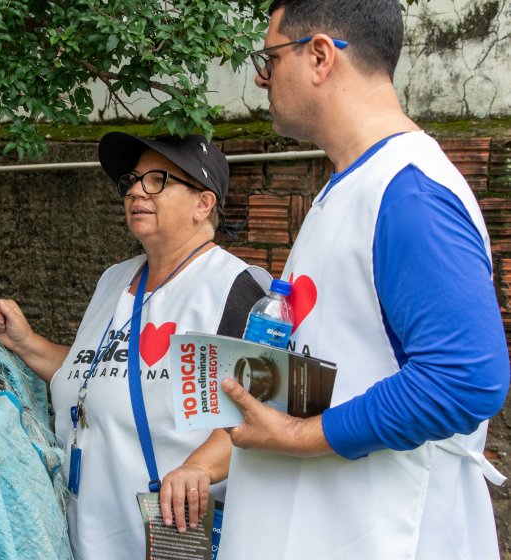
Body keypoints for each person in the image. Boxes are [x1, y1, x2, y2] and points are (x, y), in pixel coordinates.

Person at [217, 1, 510, 559]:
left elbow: (466, 378)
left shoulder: (409, 193)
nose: (262, 77)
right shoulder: (349, 186)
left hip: (382, 533)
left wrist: (299, 437)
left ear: (320, 56)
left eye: (271, 57)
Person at [0, 132, 270, 559]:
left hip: (166, 538)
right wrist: (27, 344)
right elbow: (95, 373)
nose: (135, 190)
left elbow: (266, 409)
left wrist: (199, 466)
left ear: (203, 203)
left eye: (157, 180)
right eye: (132, 180)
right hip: (85, 532)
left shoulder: (234, 287)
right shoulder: (115, 279)